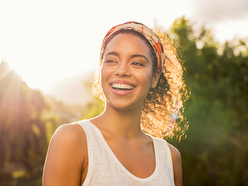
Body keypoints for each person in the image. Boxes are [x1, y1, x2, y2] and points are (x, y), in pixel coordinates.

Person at [43, 21, 187, 186]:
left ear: (154, 77)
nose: (122, 71)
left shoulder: (170, 157)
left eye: (137, 63)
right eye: (111, 60)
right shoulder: (72, 140)